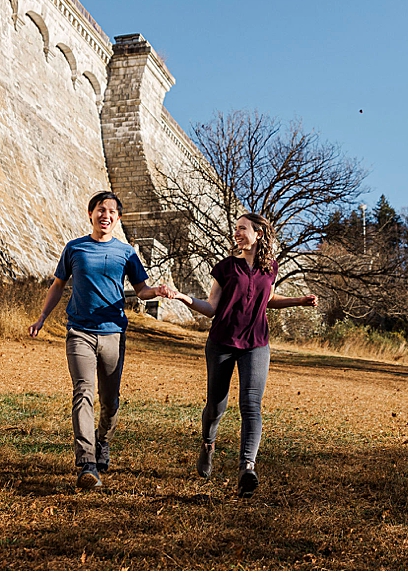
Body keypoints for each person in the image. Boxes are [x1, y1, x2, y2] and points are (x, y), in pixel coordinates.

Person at [29, 191, 173, 491]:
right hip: (79, 331)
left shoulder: (127, 253)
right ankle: (87, 463)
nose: (105, 215)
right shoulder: (74, 249)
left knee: (110, 401)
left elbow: (141, 289)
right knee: (83, 392)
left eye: (111, 211)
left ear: (117, 219)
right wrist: (42, 317)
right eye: (100, 210)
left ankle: (103, 440)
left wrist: (156, 291)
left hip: (113, 334)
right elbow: (57, 286)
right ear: (90, 214)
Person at [166, 213, 316, 498]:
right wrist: (185, 298)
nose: (236, 233)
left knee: (251, 405)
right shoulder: (224, 267)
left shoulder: (270, 267)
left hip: (256, 344)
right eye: (235, 229)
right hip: (221, 342)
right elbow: (211, 307)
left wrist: (299, 300)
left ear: (258, 234)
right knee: (216, 406)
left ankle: (247, 468)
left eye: (242, 228)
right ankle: (208, 444)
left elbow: (268, 299)